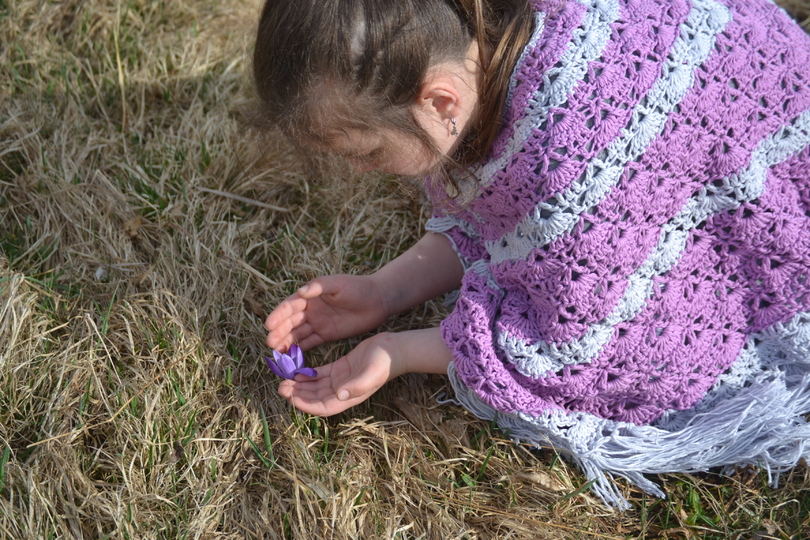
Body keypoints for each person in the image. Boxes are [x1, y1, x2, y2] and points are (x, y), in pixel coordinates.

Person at [254, 0, 810, 508]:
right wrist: (384, 291)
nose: (359, 172)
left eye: (369, 152)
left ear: (441, 101)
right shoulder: (491, 40)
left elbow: (579, 343)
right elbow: (501, 226)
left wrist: (397, 351)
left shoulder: (574, 155)